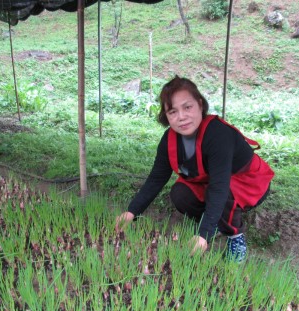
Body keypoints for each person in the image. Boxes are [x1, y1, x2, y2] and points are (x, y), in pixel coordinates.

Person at [115, 76, 274, 262]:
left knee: (223, 195)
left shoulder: (218, 135)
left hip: (247, 184)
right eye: (172, 111)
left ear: (200, 105)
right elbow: (157, 178)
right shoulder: (169, 139)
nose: (181, 117)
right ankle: (214, 223)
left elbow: (219, 187)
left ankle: (235, 236)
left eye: (187, 107)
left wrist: (203, 234)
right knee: (180, 193)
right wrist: (132, 212)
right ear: (165, 115)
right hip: (213, 183)